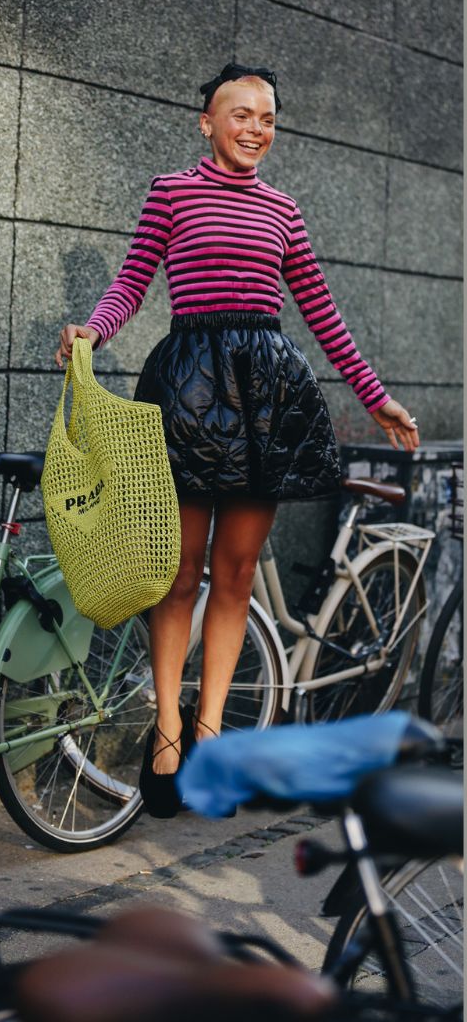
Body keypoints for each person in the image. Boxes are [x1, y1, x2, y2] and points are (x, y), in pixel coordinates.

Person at [55, 63, 419, 819]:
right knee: (178, 572)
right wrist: (94, 327)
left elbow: (322, 313)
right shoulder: (171, 192)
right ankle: (166, 730)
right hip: (189, 389)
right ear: (207, 122)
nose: (256, 129)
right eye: (241, 114)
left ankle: (211, 736)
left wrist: (376, 397)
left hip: (266, 398)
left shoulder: (285, 211)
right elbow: (132, 280)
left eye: (267, 119)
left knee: (237, 570)